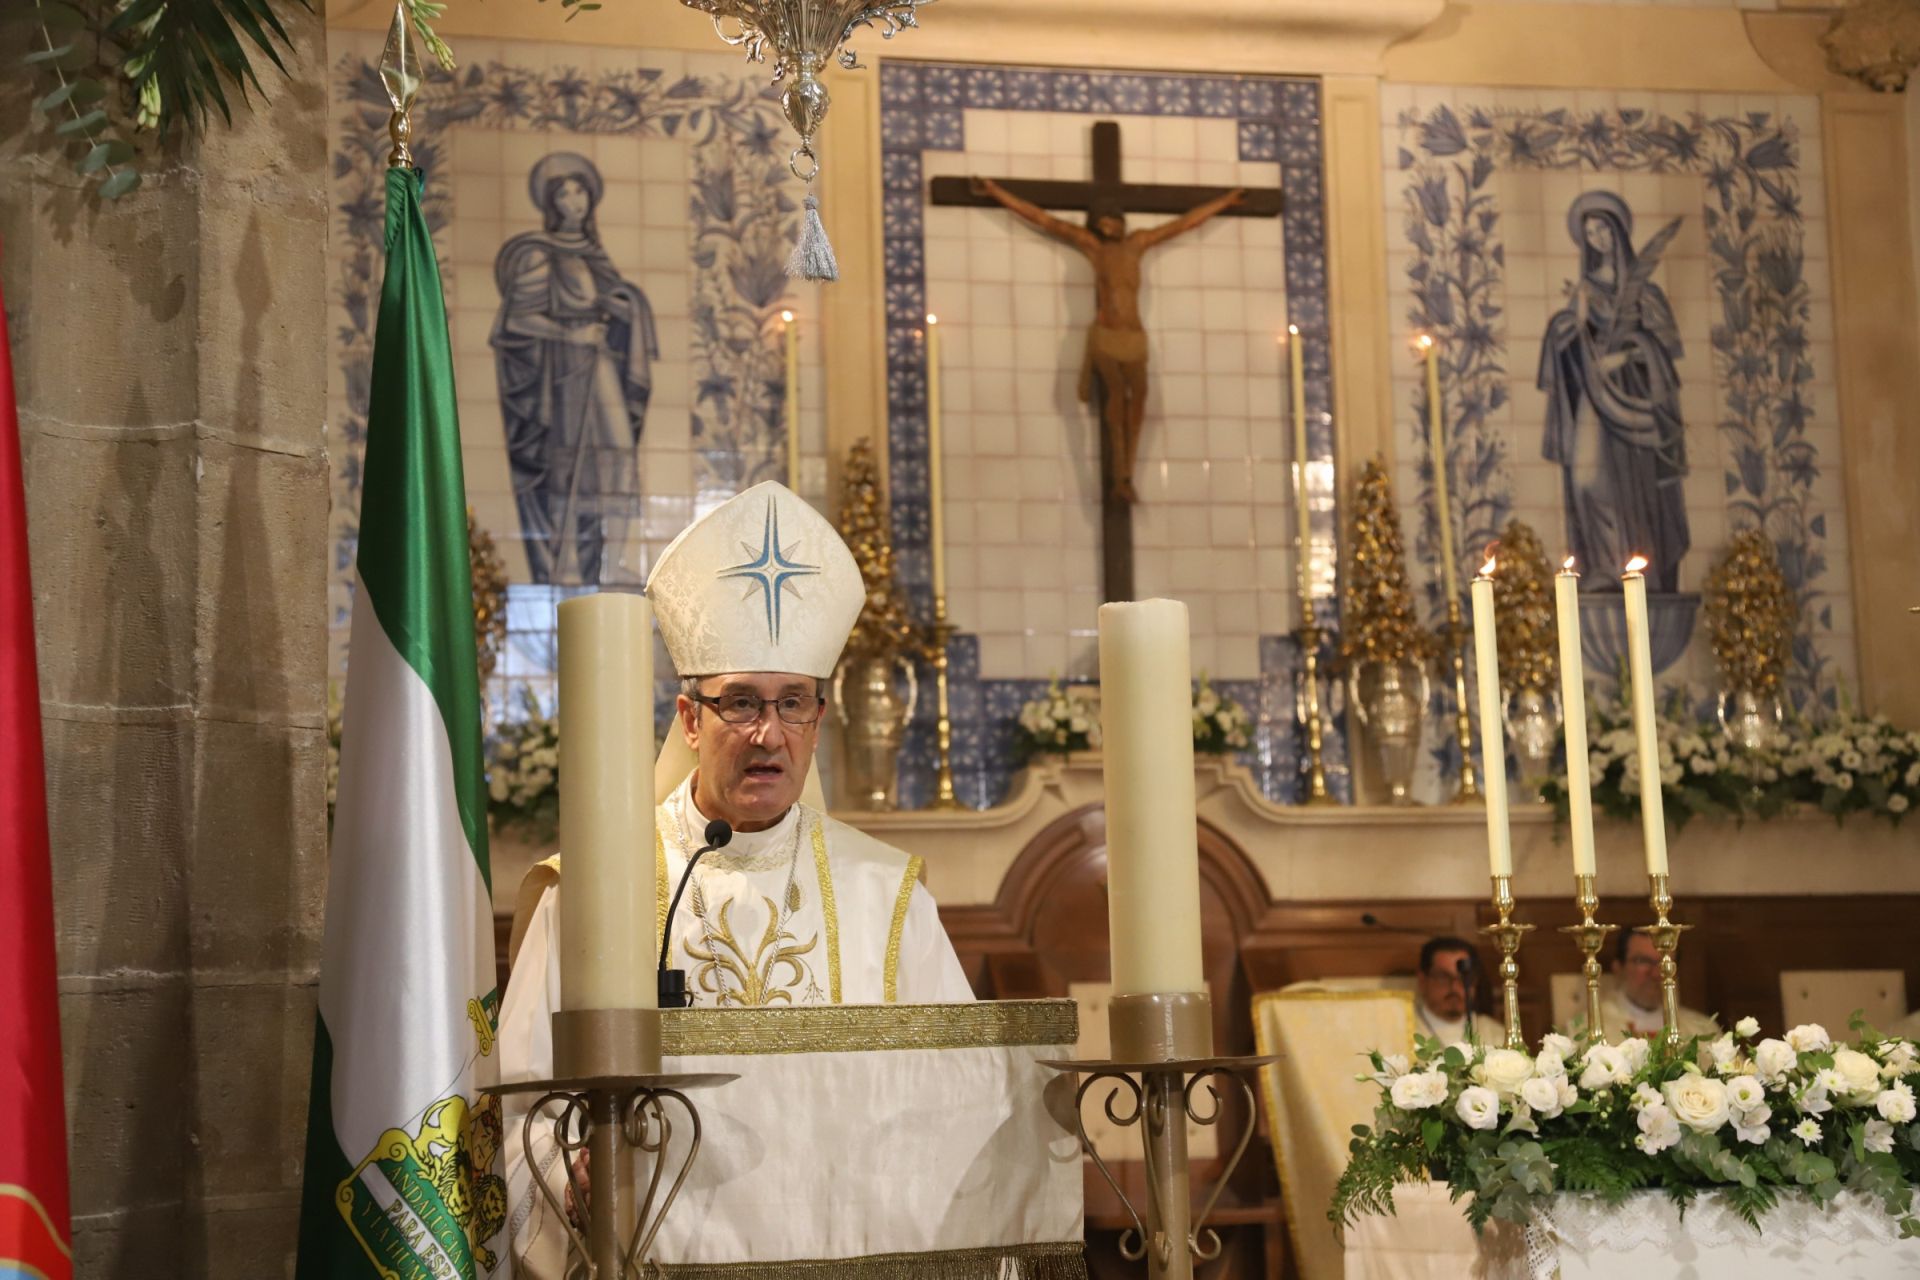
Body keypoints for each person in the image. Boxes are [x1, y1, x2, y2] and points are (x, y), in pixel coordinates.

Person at [498, 481, 974, 1276]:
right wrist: (568, 1173)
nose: (768, 735)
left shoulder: (887, 896)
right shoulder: (585, 890)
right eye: (741, 703)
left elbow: (954, 1098)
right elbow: (520, 1102)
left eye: (793, 704)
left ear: (820, 719)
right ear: (690, 719)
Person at [971, 177, 1244, 503]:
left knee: (1140, 397)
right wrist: (996, 192)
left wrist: (1225, 202)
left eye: (1111, 219)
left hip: (1134, 337)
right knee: (1116, 395)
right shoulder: (1092, 248)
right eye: (1100, 221)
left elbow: (1184, 224)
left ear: (1120, 221)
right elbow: (1041, 218)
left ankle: (1126, 472)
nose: (1106, 226)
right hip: (1107, 337)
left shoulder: (1138, 244)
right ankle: (1120, 476)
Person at [492, 151, 659, 585]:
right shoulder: (538, 255)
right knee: (570, 467)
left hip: (599, 364)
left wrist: (623, 306)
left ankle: (615, 560)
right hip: (563, 375)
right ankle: (565, 564)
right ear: (551, 203)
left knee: (619, 457)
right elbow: (516, 319)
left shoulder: (593, 254)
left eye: (580, 190)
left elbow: (606, 303)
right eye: (563, 193)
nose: (574, 200)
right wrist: (572, 334)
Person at [1538, 190, 1689, 592]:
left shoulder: (1646, 295)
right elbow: (1568, 339)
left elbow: (1666, 349)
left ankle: (1641, 572)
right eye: (1589, 233)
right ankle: (1603, 568)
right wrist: (1565, 333)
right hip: (1594, 395)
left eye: (1603, 229)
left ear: (1617, 232)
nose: (1597, 239)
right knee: (1587, 479)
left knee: (1635, 487)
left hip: (1637, 400)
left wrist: (1626, 357)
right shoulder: (1585, 290)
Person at [1601, 930, 1717, 1039]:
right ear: (1618, 968)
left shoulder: (1703, 1029)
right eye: (1643, 961)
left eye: (1665, 964)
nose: (1656, 974)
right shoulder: (1595, 1027)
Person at [1414, 936, 1505, 1047]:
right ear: (1423, 980)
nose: (1455, 987)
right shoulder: (1403, 1031)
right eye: (1443, 977)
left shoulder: (1495, 1034)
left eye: (1464, 977)